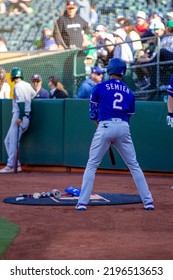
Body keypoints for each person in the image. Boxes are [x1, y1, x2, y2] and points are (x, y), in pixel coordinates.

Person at [75, 58, 154, 211]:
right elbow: (129, 116)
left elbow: (92, 114)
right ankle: (148, 201)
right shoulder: (129, 91)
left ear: (110, 70)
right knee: (134, 165)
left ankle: (82, 203)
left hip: (105, 125)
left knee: (92, 164)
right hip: (123, 127)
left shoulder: (99, 87)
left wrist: (103, 129)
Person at [0, 67, 36, 173]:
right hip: (27, 116)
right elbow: (34, 95)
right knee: (7, 141)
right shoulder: (27, 85)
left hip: (19, 116)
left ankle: (11, 165)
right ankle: (17, 164)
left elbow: (20, 102)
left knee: (13, 141)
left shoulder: (17, 86)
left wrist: (20, 117)